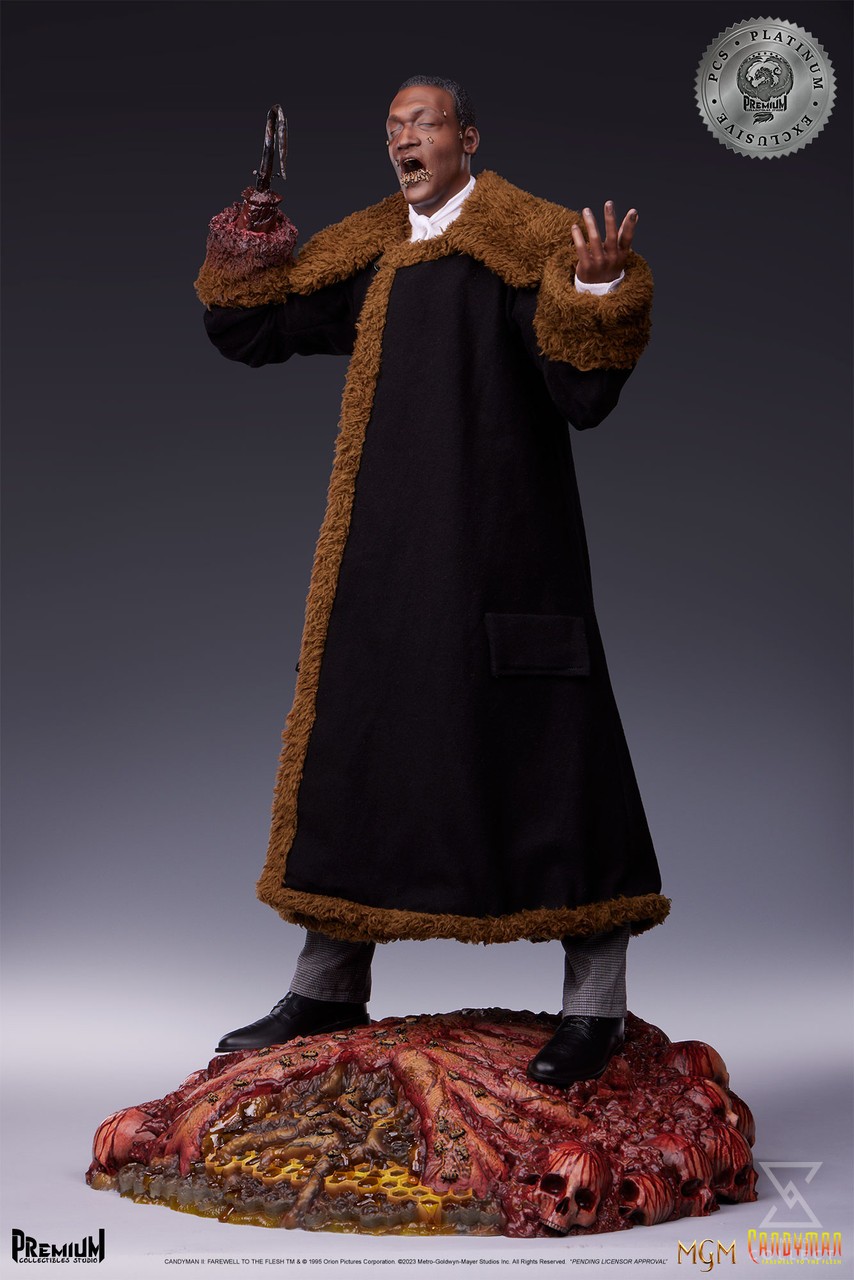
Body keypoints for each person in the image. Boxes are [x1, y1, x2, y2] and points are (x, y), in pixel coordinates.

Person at [194, 76, 670, 1086]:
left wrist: (595, 291)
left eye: (423, 122)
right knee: (356, 747)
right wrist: (253, 231)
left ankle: (595, 1006)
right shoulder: (375, 243)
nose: (404, 140)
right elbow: (252, 328)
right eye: (391, 128)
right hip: (385, 557)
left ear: (469, 137)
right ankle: (327, 984)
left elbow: (582, 394)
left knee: (555, 759)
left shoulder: (533, 239)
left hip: (509, 550)